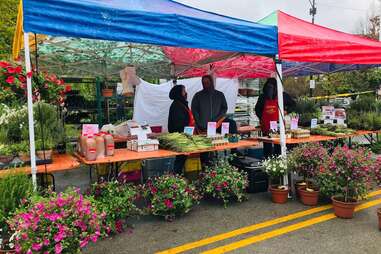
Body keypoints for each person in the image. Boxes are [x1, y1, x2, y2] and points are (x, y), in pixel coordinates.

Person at [192, 75, 238, 165]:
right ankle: (205, 166)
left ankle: (234, 151)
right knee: (205, 149)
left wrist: (217, 119)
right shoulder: (198, 96)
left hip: (218, 124)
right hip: (203, 126)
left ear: (211, 82)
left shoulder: (219, 95)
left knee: (232, 123)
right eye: (204, 83)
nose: (206, 84)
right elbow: (194, 110)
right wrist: (200, 123)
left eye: (207, 82)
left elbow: (224, 108)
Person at [255, 78, 296, 159]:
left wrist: (286, 111)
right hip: (266, 125)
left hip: (278, 125)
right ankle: (267, 160)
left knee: (278, 144)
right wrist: (262, 117)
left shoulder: (282, 95)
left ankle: (279, 160)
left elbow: (293, 104)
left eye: (272, 88)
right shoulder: (262, 97)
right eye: (268, 88)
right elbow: (257, 109)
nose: (269, 90)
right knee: (267, 145)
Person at [168, 85, 195, 174]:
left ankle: (178, 176)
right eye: (184, 91)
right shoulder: (177, 105)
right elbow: (179, 124)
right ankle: (177, 176)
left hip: (184, 135)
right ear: (179, 93)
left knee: (181, 158)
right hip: (181, 137)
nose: (186, 93)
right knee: (180, 158)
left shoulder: (181, 103)